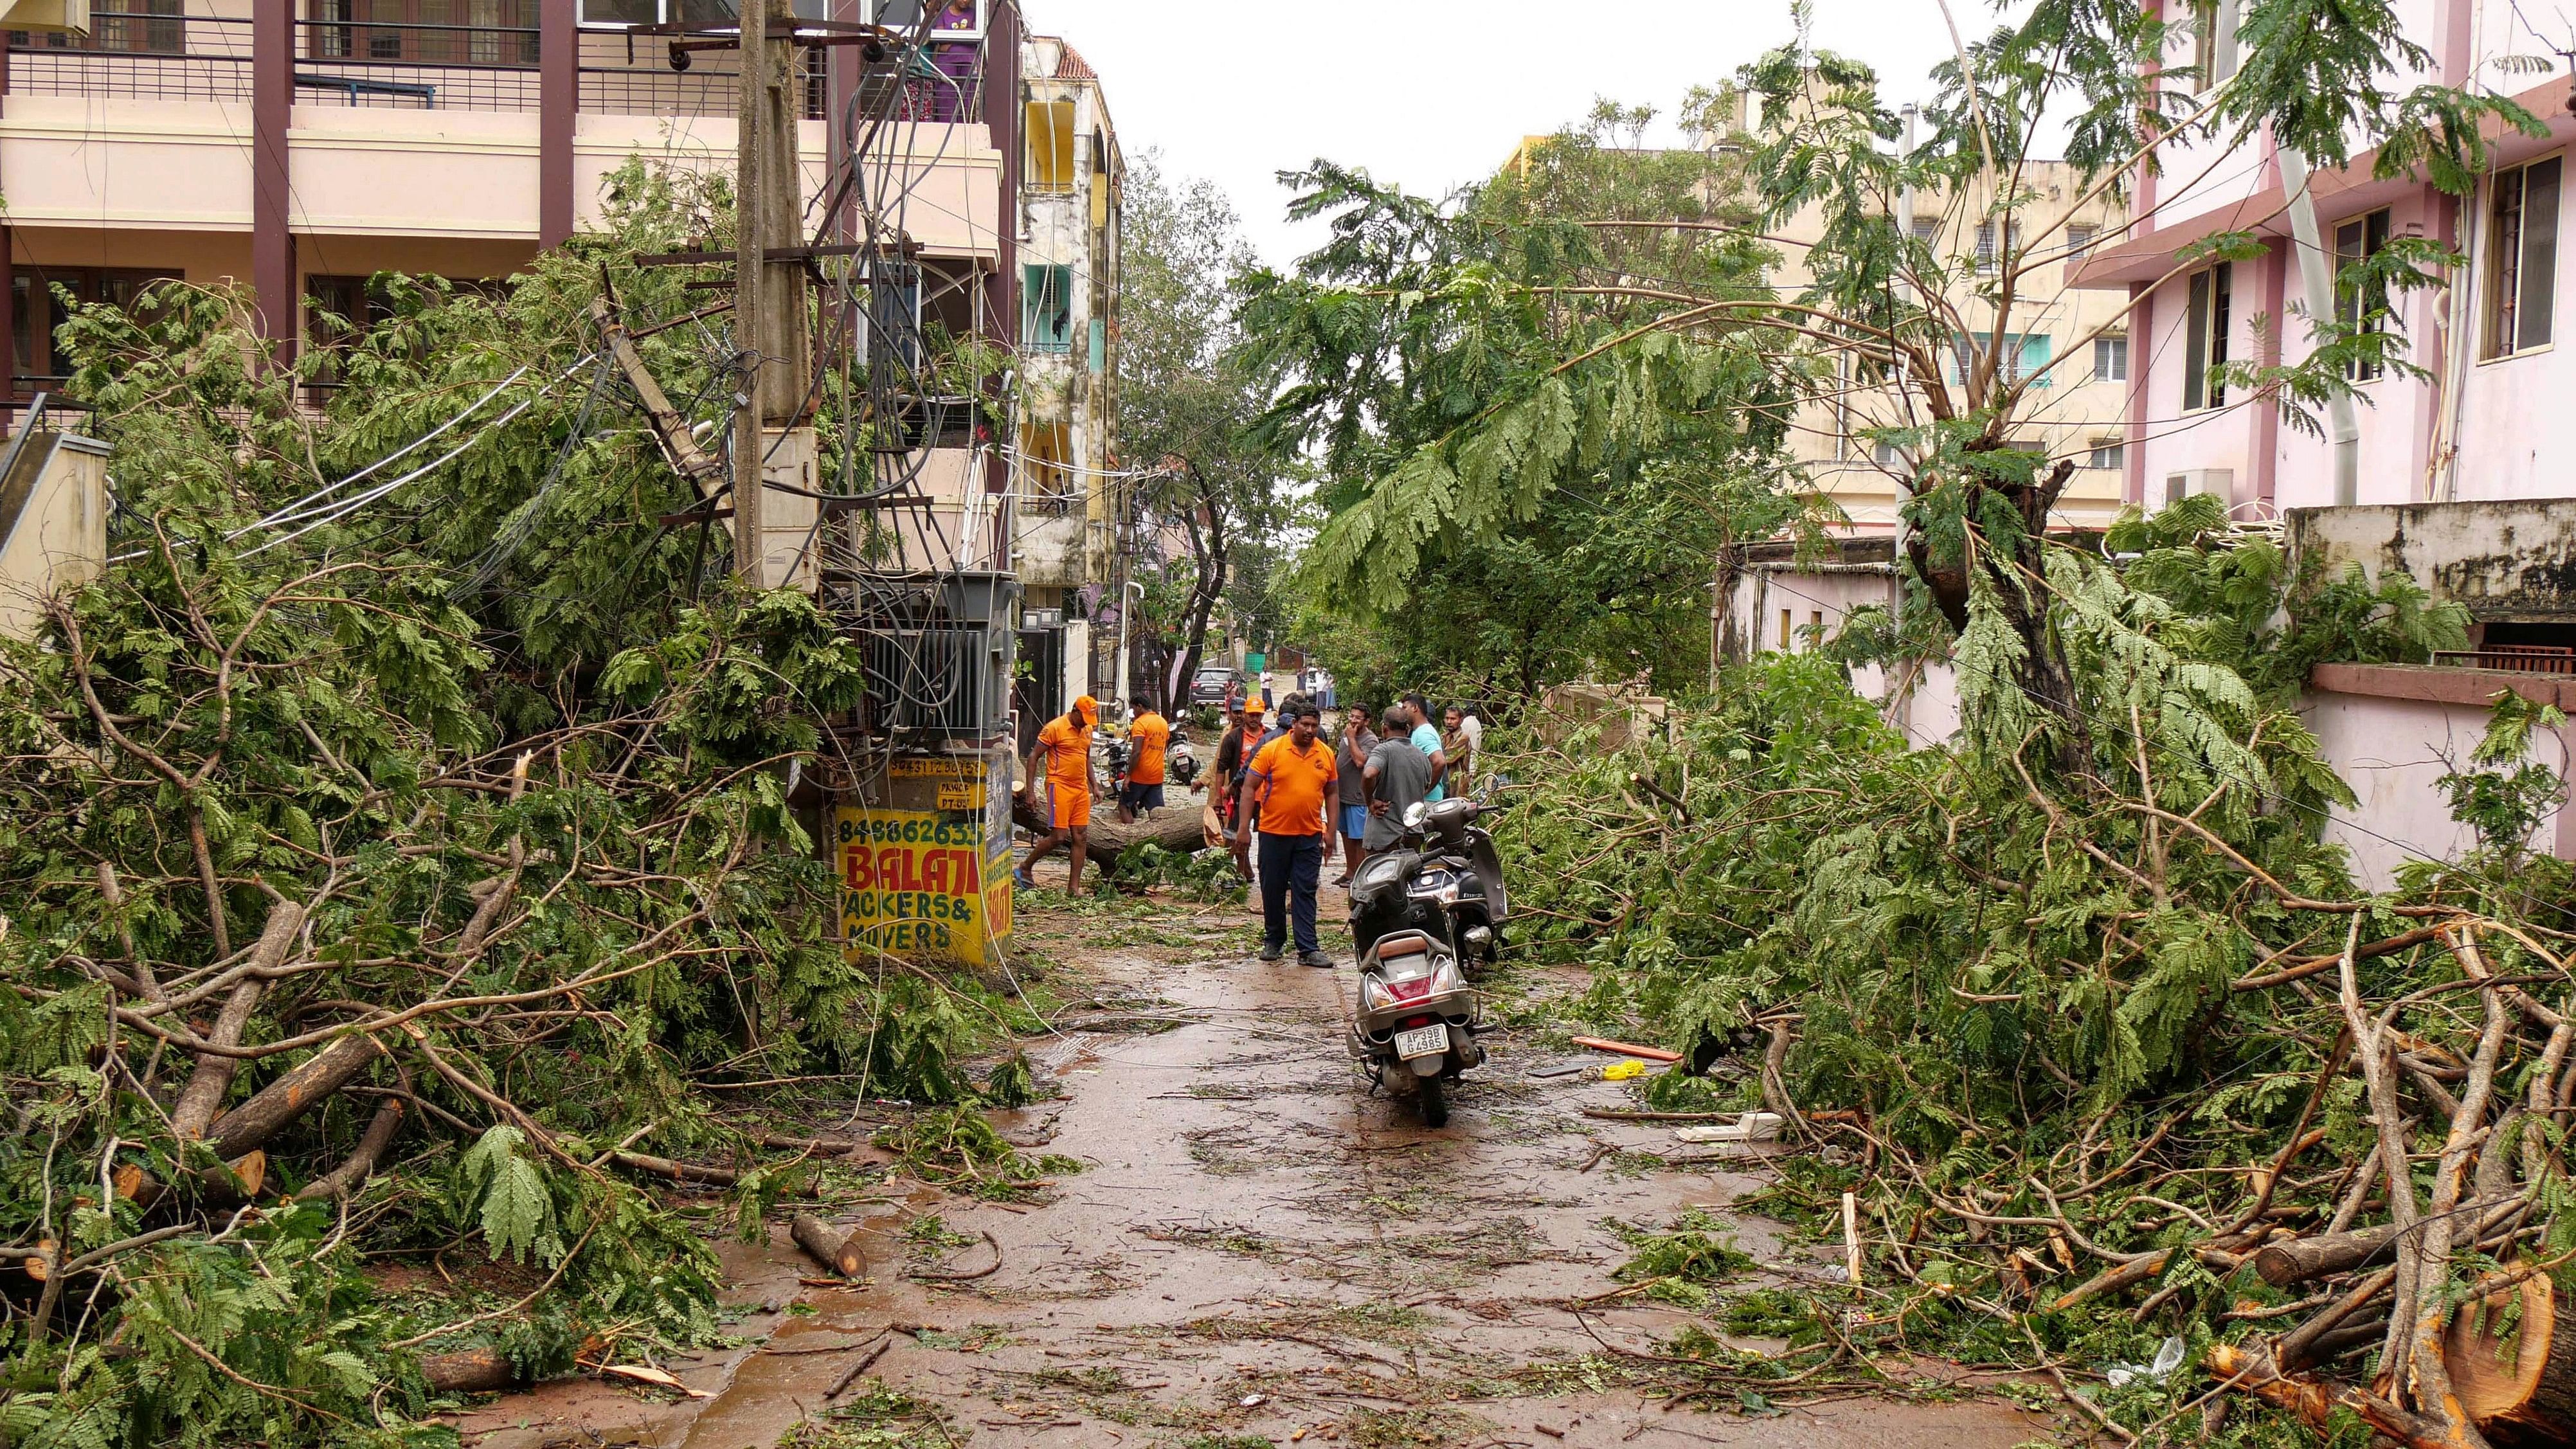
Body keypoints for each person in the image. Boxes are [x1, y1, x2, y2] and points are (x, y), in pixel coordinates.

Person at [1236, 699, 1337, 966]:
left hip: (1309, 834)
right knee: (1273, 888)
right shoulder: (1272, 750)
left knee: (1305, 890)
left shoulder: (1325, 754)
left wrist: (1331, 833)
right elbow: (1249, 787)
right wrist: (1244, 828)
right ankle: (1274, 940)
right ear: (1294, 725)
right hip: (1273, 833)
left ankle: (1308, 948)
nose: (1310, 730)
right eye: (1305, 724)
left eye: (1315, 726)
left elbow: (1333, 792)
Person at [1019, 695, 1103, 892]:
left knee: (1081, 836)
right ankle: (1025, 866)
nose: (1086, 723)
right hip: (1059, 785)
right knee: (1059, 836)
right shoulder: (1055, 728)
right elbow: (1033, 758)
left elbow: (1086, 759)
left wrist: (1095, 786)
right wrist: (1030, 792)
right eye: (1084, 718)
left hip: (1080, 788)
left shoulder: (1087, 730)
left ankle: (1073, 888)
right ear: (1075, 711)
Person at [1362, 704, 1436, 858]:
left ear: (1384, 728)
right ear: (1408, 729)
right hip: (1413, 835)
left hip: (1385, 836)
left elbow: (1369, 774)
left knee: (1377, 880)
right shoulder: (1422, 756)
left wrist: (1370, 801)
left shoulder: (1384, 750)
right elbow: (1426, 786)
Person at [1333, 704, 1376, 886]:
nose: (1353, 720)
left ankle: (1359, 876)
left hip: (1358, 796)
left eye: (1358, 718)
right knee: (1345, 833)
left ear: (1366, 721)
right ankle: (1350, 872)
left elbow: (1360, 762)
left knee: (1358, 838)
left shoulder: (1370, 740)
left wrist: (1351, 738)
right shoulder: (1347, 734)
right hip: (1342, 793)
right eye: (1352, 716)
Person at [1120, 701, 1171, 823]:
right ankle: (1160, 837)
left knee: (1124, 806)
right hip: (1157, 774)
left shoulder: (1140, 723)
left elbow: (1136, 752)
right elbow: (1164, 748)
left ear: (1140, 706)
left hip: (1140, 774)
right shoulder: (1163, 722)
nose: (1133, 712)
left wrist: (1128, 776)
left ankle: (1130, 837)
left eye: (1133, 709)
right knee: (1157, 812)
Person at [1403, 692, 1449, 802]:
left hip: (1427, 801)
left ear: (1415, 708)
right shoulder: (1418, 732)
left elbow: (1439, 761)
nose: (1402, 712)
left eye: (1405, 708)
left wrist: (1426, 789)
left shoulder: (1424, 733)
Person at [1443, 705, 1475, 795]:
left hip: (1458, 787)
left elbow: (1449, 758)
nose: (1449, 722)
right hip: (1445, 784)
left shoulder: (1464, 738)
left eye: (1453, 719)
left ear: (1460, 721)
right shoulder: (1444, 737)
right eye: (1447, 718)